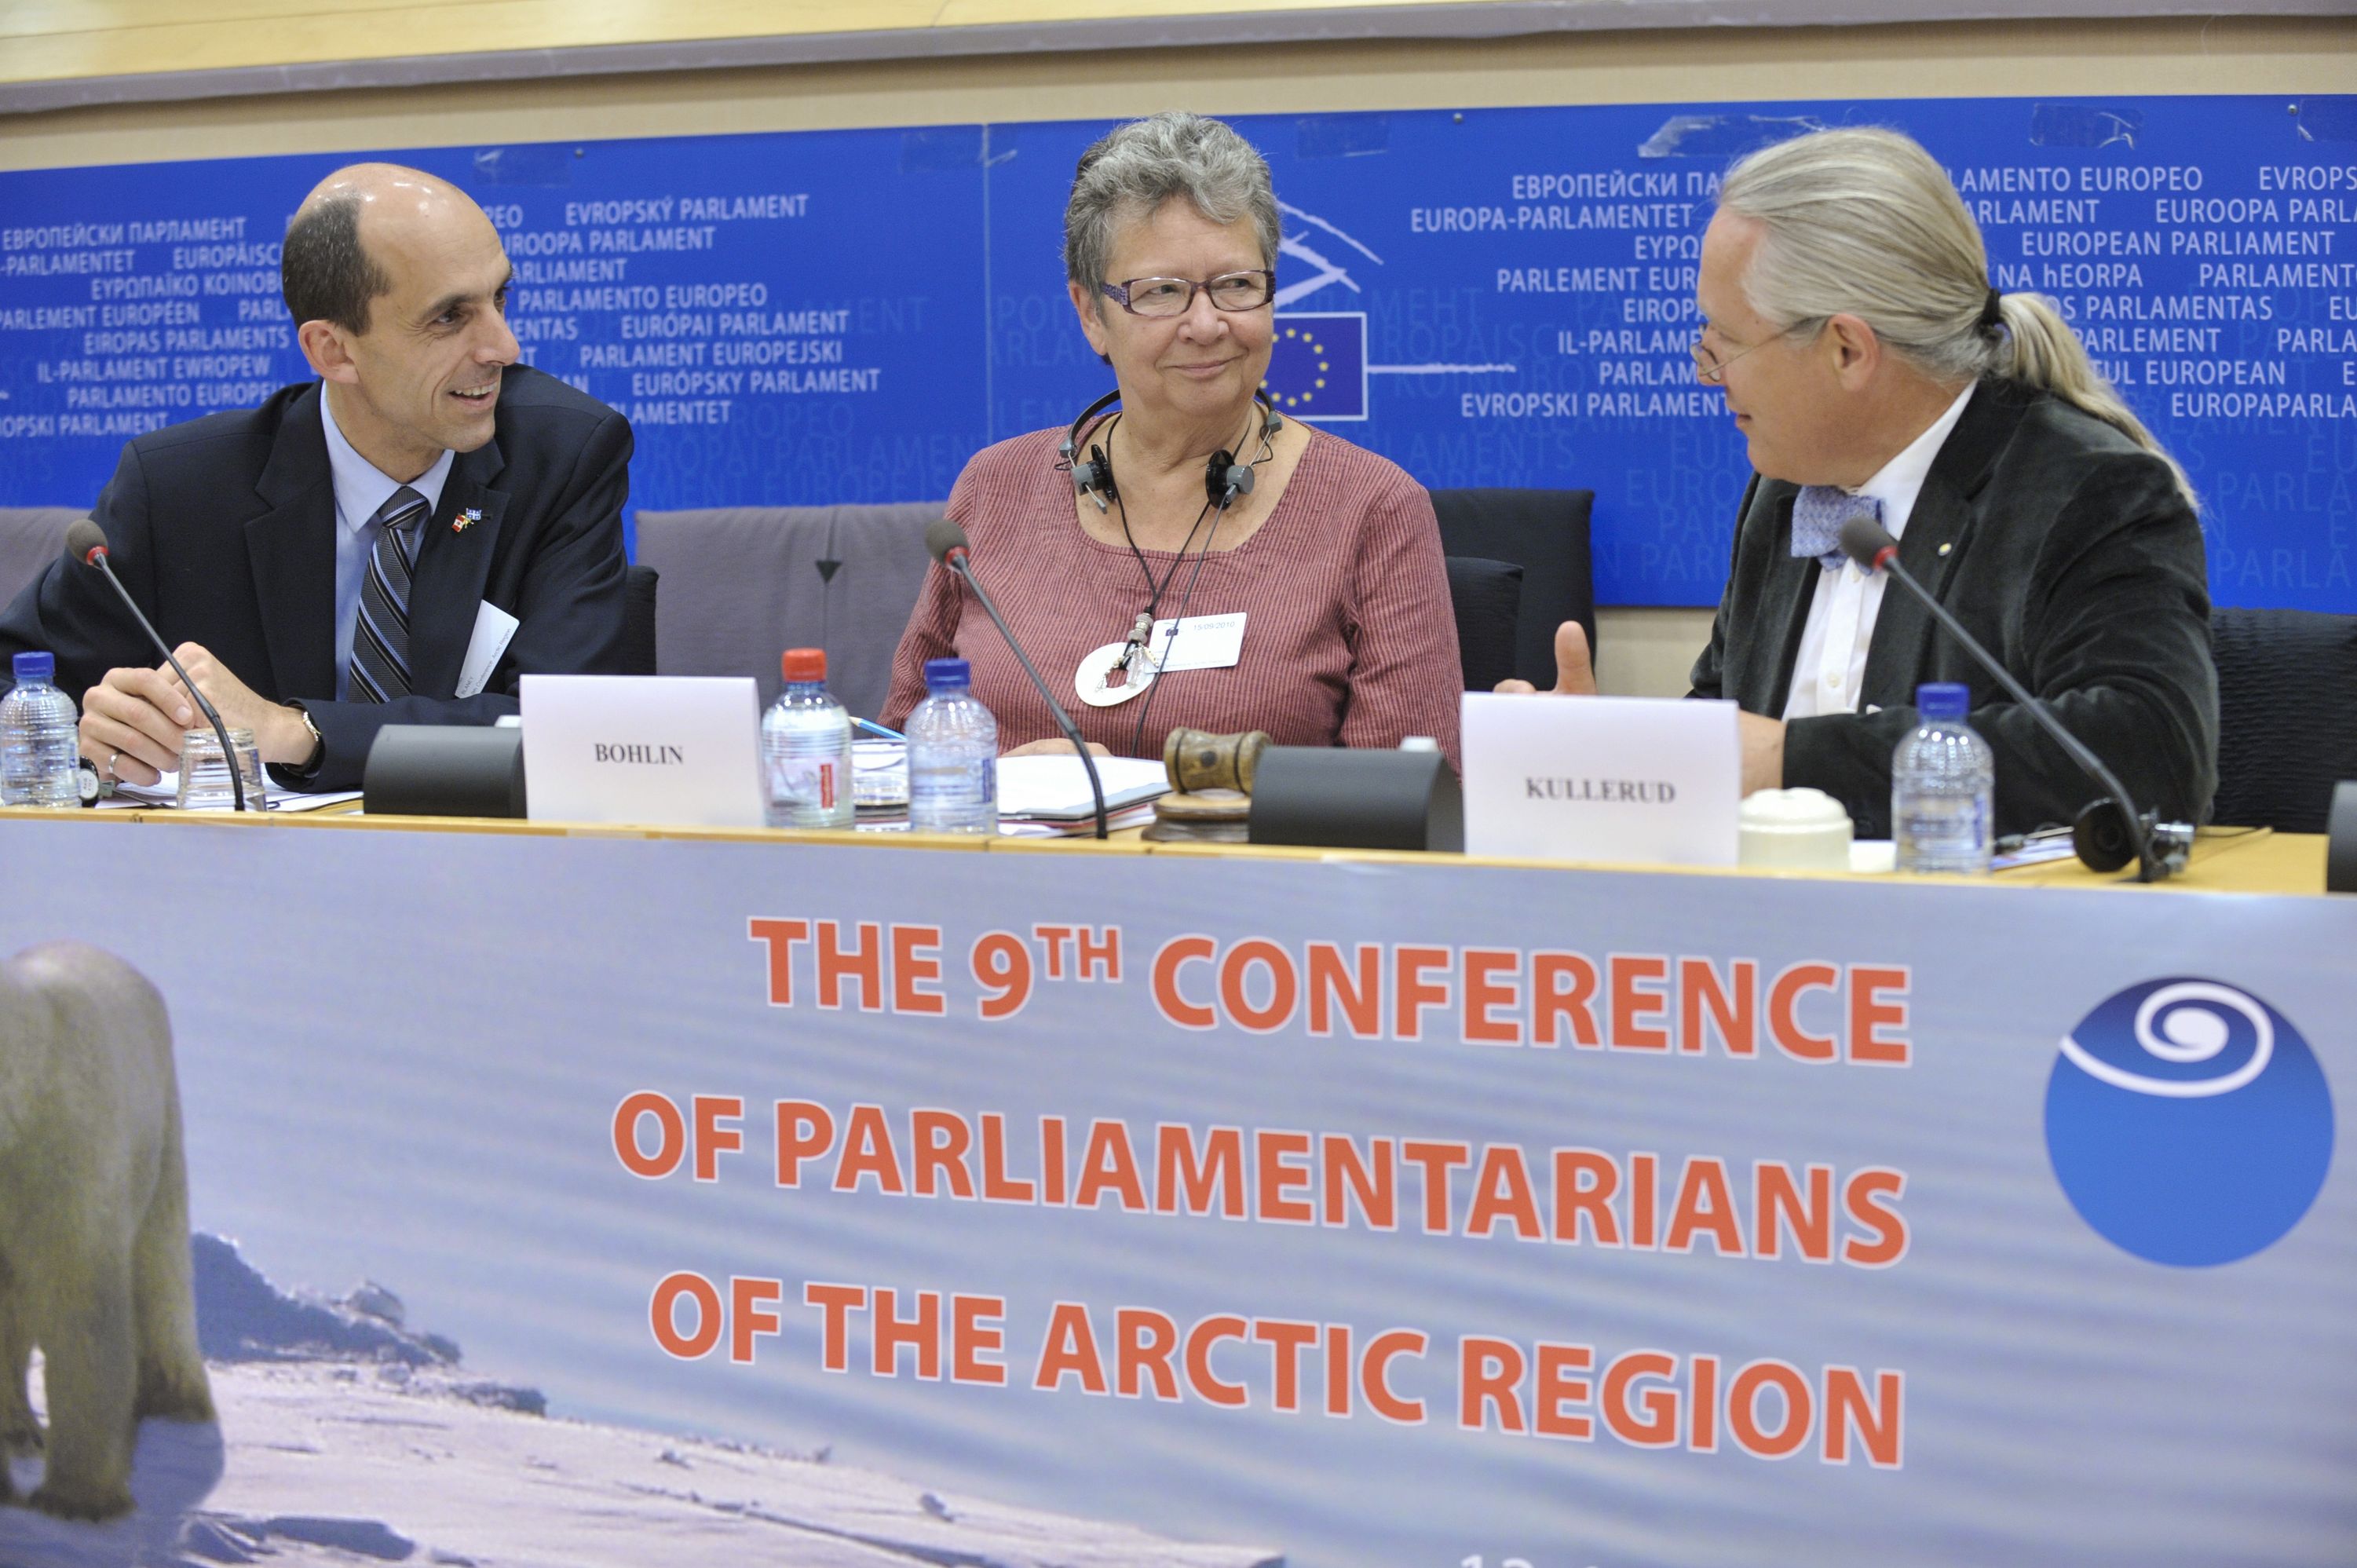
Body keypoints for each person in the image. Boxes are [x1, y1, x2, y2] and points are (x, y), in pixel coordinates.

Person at [1503, 126, 2216, 838]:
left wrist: (1796, 762)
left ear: (1847, 349)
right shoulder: (1785, 488)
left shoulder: (2090, 490)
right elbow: (1730, 717)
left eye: (1725, 341)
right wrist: (1609, 758)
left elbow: (2150, 750)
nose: (1706, 370)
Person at [0, 163, 634, 793]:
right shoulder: (176, 490)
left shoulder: (563, 458)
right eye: (449, 318)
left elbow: (571, 732)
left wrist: (294, 731)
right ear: (333, 350)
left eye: (500, 298)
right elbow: (14, 685)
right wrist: (79, 735)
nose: (504, 345)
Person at [882, 112, 1463, 764]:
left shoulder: (1375, 510)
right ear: (1090, 314)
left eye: (1237, 285)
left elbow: (1414, 812)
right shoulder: (994, 490)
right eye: (1161, 292)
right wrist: (1003, 788)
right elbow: (898, 754)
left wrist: (1145, 808)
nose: (1207, 324)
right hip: (1007, 864)